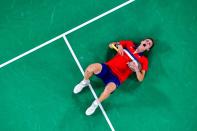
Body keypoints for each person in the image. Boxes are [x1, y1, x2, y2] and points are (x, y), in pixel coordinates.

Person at [73, 38, 154, 116]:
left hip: (117, 78)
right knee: (91, 68)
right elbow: (111, 45)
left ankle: (95, 104)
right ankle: (85, 82)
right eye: (146, 41)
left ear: (148, 49)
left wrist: (136, 69)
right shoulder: (129, 44)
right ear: (142, 41)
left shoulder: (144, 60)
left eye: (149, 44)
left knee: (108, 89)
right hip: (108, 67)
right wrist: (119, 45)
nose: (147, 43)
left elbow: (141, 78)